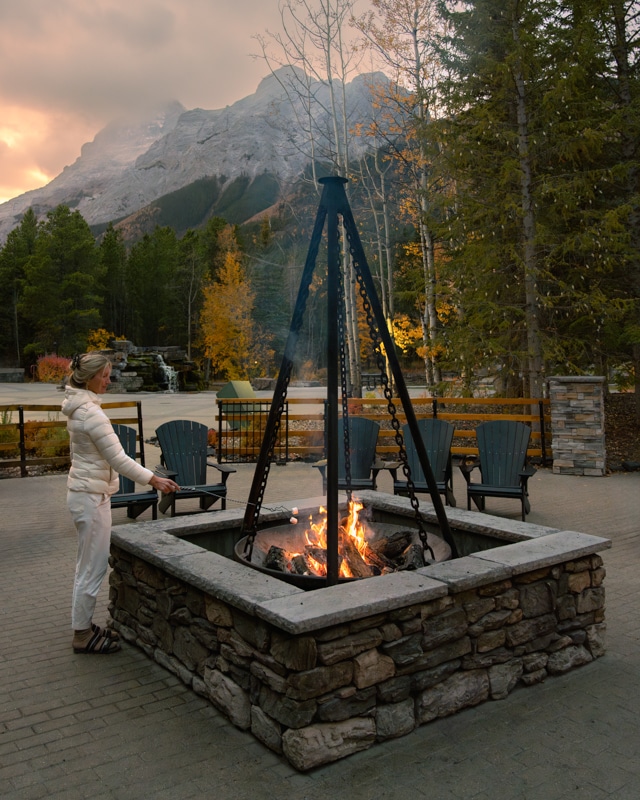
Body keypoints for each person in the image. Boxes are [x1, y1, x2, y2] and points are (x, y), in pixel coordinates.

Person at [62, 352, 180, 654]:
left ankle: (83, 626)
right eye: (104, 375)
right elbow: (118, 458)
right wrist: (154, 480)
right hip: (90, 497)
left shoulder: (78, 408)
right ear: (89, 378)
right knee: (93, 567)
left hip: (84, 493)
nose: (108, 380)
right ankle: (82, 635)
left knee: (85, 565)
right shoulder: (91, 414)